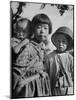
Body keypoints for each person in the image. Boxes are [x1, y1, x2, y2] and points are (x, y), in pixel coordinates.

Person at [11, 13, 52, 98]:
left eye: (45, 28)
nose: (42, 31)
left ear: (49, 31)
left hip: (41, 86)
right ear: (32, 30)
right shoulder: (28, 47)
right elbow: (18, 73)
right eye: (38, 27)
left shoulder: (42, 48)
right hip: (29, 89)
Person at [46, 26, 74, 96]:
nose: (60, 44)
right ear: (55, 42)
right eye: (58, 41)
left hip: (69, 88)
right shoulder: (50, 57)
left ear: (68, 43)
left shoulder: (70, 58)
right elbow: (46, 72)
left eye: (64, 41)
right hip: (54, 87)